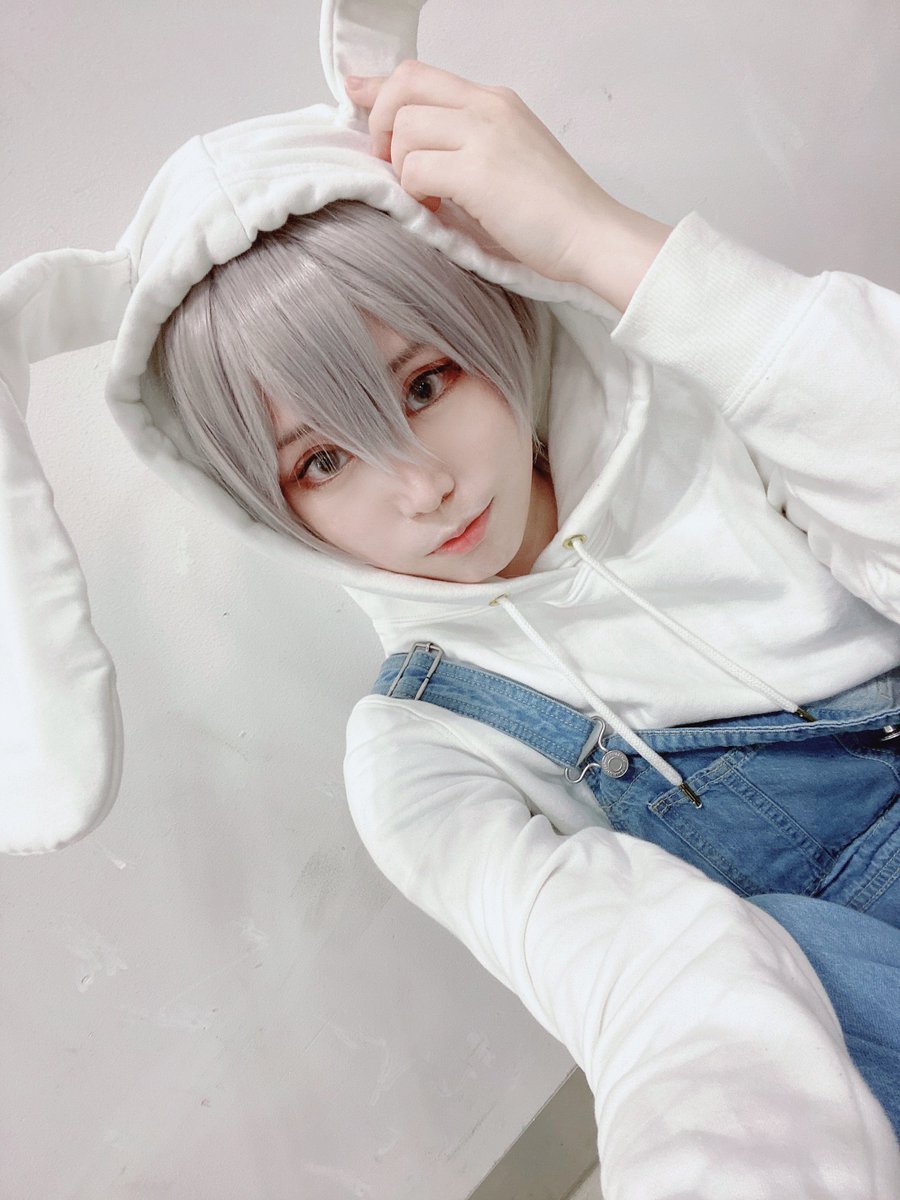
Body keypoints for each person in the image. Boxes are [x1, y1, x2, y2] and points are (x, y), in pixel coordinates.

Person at [2, 10, 899, 1194]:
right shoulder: (424, 755)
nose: (419, 487)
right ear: (262, 503)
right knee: (795, 963)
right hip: (853, 1033)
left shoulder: (714, 411)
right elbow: (676, 1004)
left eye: (425, 383)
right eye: (324, 460)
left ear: (501, 312)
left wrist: (600, 238)